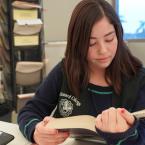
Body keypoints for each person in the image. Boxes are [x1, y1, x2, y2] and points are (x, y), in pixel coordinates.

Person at [17, 0, 145, 145]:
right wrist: (35, 131)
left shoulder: (138, 78)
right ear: (77, 43)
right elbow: (30, 111)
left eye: (109, 39)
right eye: (91, 43)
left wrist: (126, 133)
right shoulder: (65, 70)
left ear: (118, 35)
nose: (103, 50)